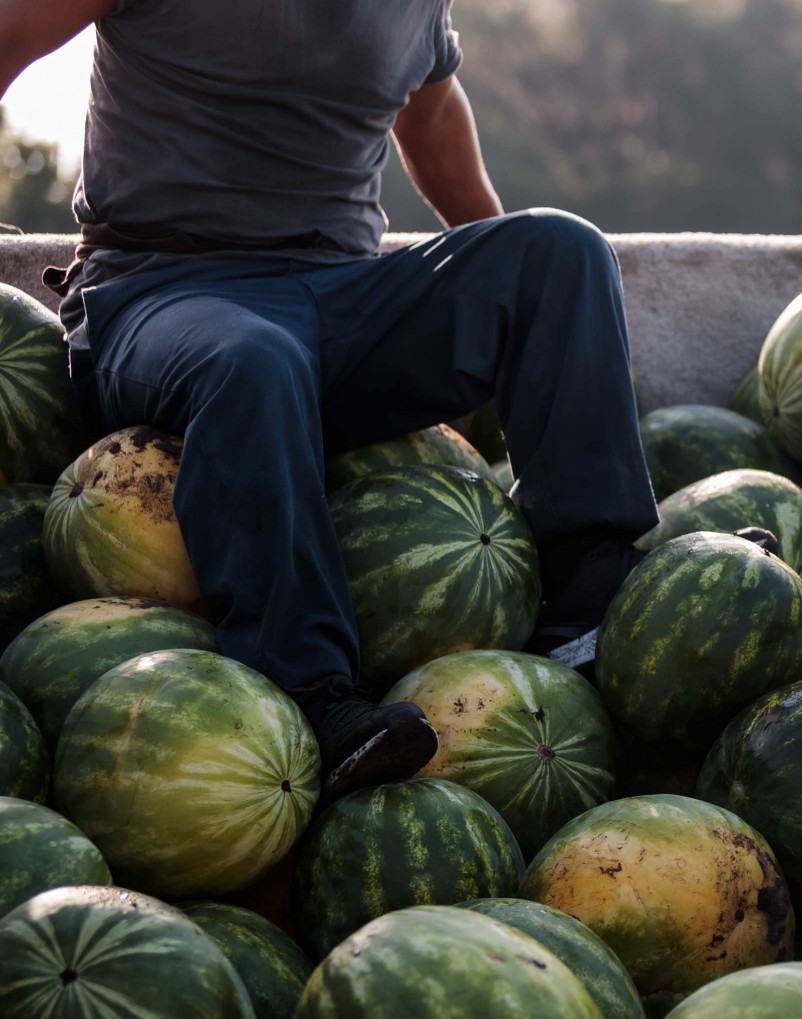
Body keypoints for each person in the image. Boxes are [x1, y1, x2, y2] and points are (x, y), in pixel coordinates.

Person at [0, 0, 658, 797]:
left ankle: (587, 588)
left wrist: (516, 305)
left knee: (560, 251)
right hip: (159, 294)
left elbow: (433, 111)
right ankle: (314, 700)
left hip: (344, 300)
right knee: (253, 358)